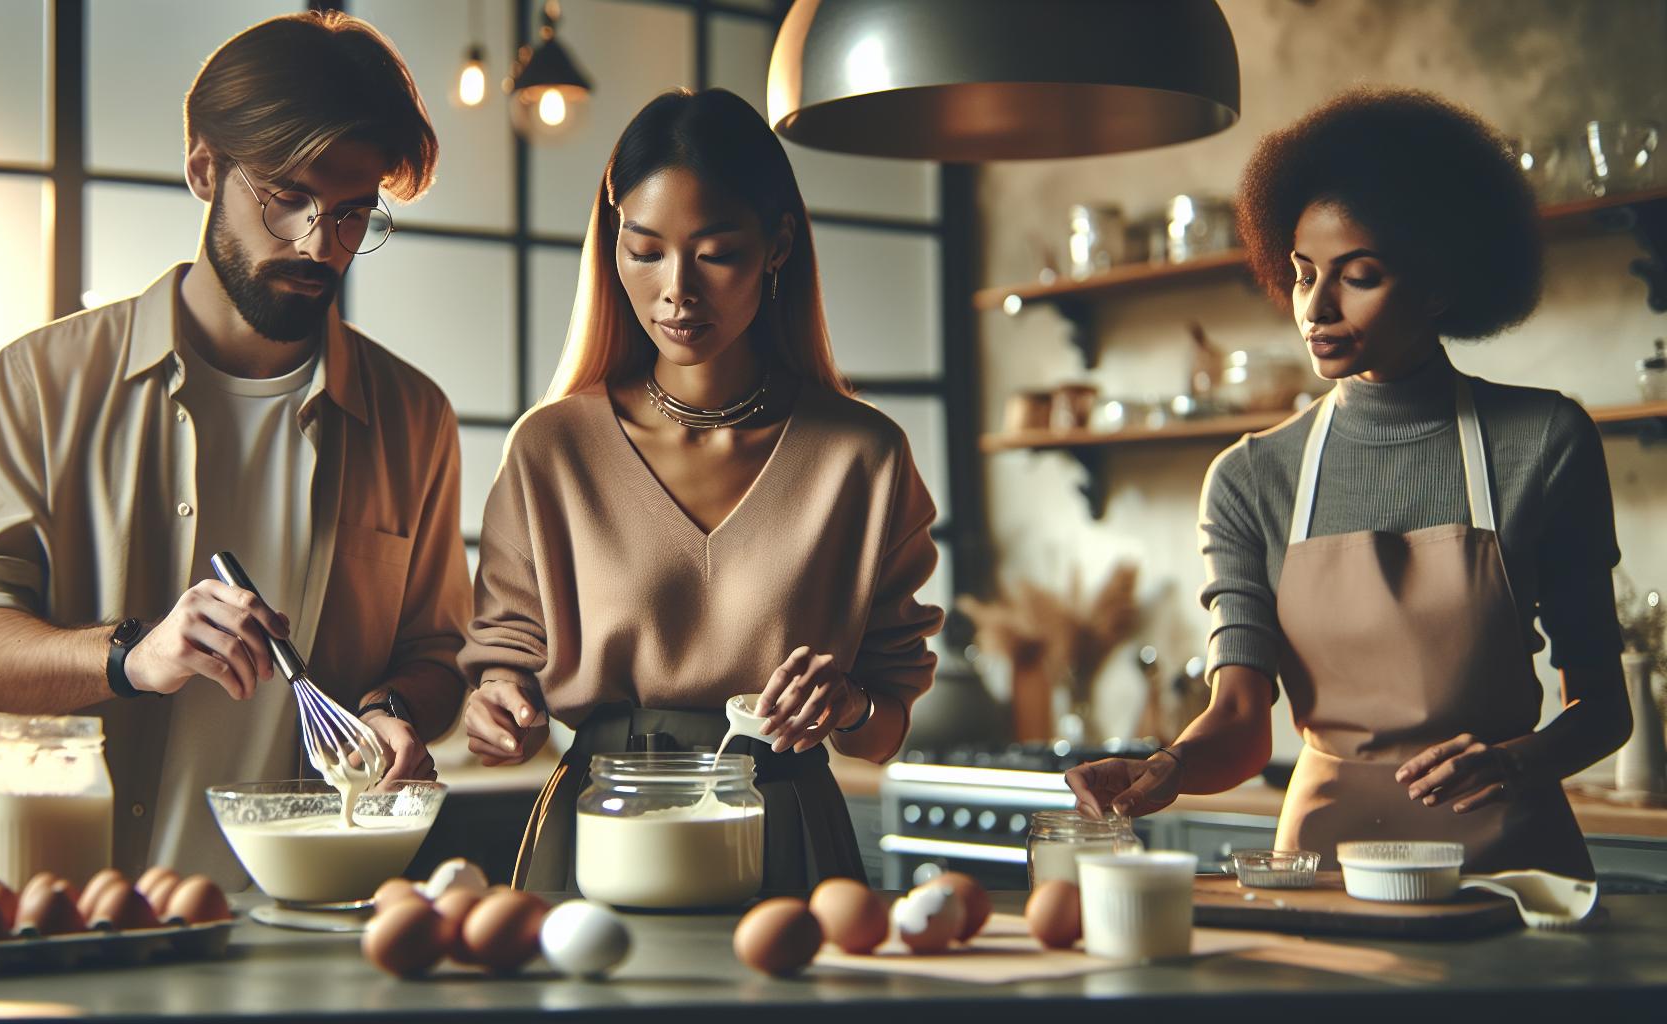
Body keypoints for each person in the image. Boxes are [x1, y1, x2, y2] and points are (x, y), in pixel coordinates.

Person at [0, 11, 472, 887]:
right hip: (85, 906)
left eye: (354, 213)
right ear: (205, 168)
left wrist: (392, 710)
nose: (320, 245)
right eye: (288, 198)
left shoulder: (412, 415)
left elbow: (438, 654)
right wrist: (134, 657)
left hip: (311, 914)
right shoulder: (43, 380)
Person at [1064, 88, 1631, 878]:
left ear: (1438, 285)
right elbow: (1240, 718)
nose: (1317, 307)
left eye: (1358, 276)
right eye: (1303, 275)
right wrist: (1169, 766)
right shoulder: (1250, 478)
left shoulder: (1542, 441)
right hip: (1323, 874)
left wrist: (1515, 762)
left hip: (1513, 874)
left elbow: (1603, 708)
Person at [460, 88, 944, 891]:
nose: (677, 289)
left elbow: (883, 727)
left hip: (785, 835)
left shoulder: (862, 456)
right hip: (600, 823)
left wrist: (849, 706)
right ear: (612, 250)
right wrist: (498, 706)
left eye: (715, 253)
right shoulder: (552, 448)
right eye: (644, 251)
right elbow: (503, 667)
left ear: (777, 246)